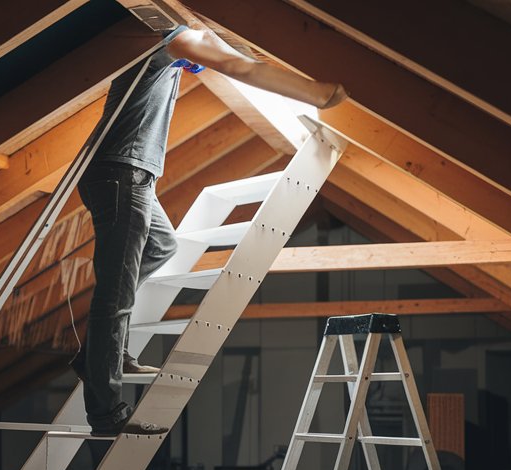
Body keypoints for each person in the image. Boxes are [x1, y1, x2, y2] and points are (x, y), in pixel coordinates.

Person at [71, 23, 346, 436]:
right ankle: (106, 413)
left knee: (161, 246)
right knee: (117, 290)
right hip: (122, 173)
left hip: (131, 175)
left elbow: (222, 53)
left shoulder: (169, 54)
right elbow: (238, 64)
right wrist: (316, 92)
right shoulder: (167, 37)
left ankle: (95, 356)